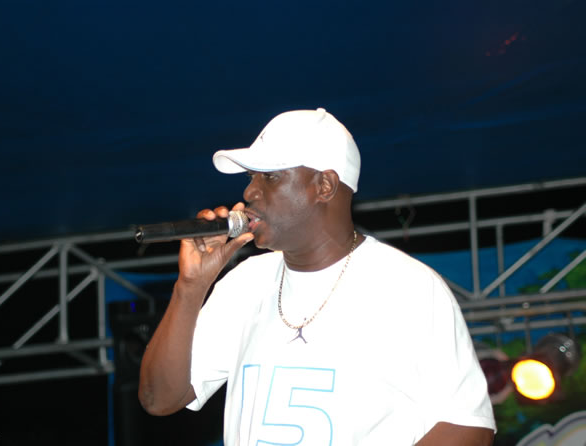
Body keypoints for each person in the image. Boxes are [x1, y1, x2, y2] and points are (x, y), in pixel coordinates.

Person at [138, 108, 496, 445]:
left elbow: (469, 428)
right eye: (251, 178)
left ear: (324, 186)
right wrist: (190, 287)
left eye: (270, 176)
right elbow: (158, 398)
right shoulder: (244, 284)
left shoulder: (407, 287)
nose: (249, 192)